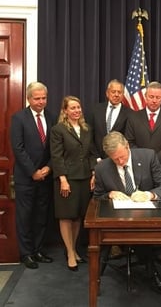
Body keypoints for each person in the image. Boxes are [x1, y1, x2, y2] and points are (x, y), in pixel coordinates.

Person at [93, 131, 161, 294]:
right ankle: (148, 268)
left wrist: (149, 195)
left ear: (127, 146)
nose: (121, 161)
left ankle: (151, 270)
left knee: (143, 233)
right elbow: (97, 197)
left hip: (148, 216)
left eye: (122, 157)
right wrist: (109, 194)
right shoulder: (102, 168)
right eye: (115, 159)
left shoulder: (148, 156)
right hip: (118, 219)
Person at [10, 82, 56, 269]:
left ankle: (37, 250)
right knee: (25, 216)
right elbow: (18, 148)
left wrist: (49, 168)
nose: (40, 102)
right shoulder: (19, 118)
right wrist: (33, 172)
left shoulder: (52, 117)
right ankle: (26, 253)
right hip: (25, 178)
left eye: (43, 98)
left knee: (41, 216)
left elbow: (56, 147)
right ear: (29, 99)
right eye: (37, 98)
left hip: (45, 176)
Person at [50, 96, 97, 271]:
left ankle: (75, 248)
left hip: (84, 178)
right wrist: (62, 179)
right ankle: (69, 252)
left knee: (78, 216)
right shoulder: (58, 130)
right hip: (67, 179)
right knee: (66, 215)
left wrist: (93, 173)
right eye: (72, 108)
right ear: (65, 111)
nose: (76, 111)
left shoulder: (86, 129)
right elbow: (56, 156)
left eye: (78, 107)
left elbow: (92, 153)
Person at [125, 81, 161, 183]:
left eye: (158, 97)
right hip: (139, 168)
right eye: (151, 97)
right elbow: (129, 142)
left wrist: (155, 160)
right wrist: (144, 159)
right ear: (145, 97)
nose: (154, 100)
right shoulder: (133, 118)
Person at [89, 79, 132, 160]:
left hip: (118, 159)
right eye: (113, 92)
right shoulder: (96, 110)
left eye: (119, 92)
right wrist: (97, 157)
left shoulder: (130, 114)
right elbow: (90, 136)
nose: (116, 95)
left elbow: (128, 139)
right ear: (107, 93)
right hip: (97, 159)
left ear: (123, 95)